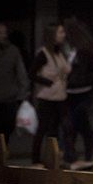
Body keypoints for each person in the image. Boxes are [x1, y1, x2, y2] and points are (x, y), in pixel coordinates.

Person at [29, 23, 71, 165]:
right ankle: (36, 160)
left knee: (59, 129)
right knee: (43, 128)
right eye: (60, 32)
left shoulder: (58, 52)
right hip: (47, 97)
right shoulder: (43, 53)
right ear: (52, 34)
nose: (63, 34)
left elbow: (67, 69)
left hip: (60, 97)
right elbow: (32, 74)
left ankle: (53, 158)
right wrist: (48, 82)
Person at [63, 17, 93, 169]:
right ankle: (89, 155)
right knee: (81, 126)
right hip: (69, 92)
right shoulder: (67, 48)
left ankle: (78, 156)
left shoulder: (84, 49)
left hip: (84, 91)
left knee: (74, 124)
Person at [0, 22, 29, 144]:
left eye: (4, 33)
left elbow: (21, 74)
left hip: (9, 98)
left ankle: (3, 154)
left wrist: (21, 95)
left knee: (7, 129)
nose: (2, 36)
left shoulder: (13, 51)